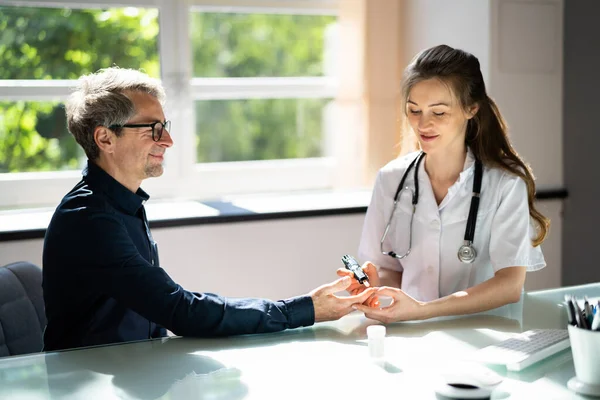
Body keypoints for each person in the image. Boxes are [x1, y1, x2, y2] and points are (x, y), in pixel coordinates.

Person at [42, 67, 375, 351]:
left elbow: (153, 317)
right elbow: (179, 311)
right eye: (153, 128)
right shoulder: (89, 218)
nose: (168, 141)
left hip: (129, 369)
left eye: (166, 125)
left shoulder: (122, 204)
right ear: (105, 139)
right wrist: (304, 310)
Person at [338, 44, 549, 323]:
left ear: (471, 108)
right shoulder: (391, 179)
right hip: (412, 334)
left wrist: (425, 310)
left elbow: (509, 285)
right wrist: (374, 281)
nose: (423, 124)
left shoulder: (505, 185)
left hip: (486, 339)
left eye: (438, 113)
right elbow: (389, 269)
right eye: (414, 110)